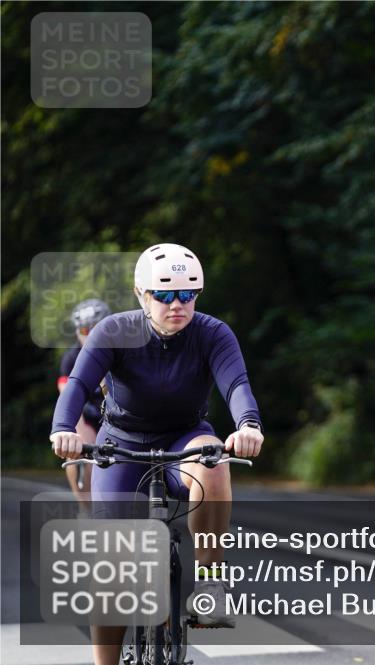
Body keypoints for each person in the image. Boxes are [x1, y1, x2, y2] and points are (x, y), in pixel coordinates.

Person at [49, 243, 264, 665]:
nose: (177, 304)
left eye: (188, 294)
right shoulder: (114, 331)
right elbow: (75, 386)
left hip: (185, 438)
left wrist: (248, 425)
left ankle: (210, 583)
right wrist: (63, 429)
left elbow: (236, 385)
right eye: (164, 295)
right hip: (122, 445)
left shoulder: (213, 333)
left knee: (213, 462)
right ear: (141, 294)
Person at [56, 298, 112, 502]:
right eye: (86, 331)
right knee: (77, 450)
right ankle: (84, 506)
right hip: (89, 416)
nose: (92, 336)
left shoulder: (123, 350)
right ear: (78, 333)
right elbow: (67, 397)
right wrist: (76, 431)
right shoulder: (71, 358)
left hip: (120, 416)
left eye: (98, 329)